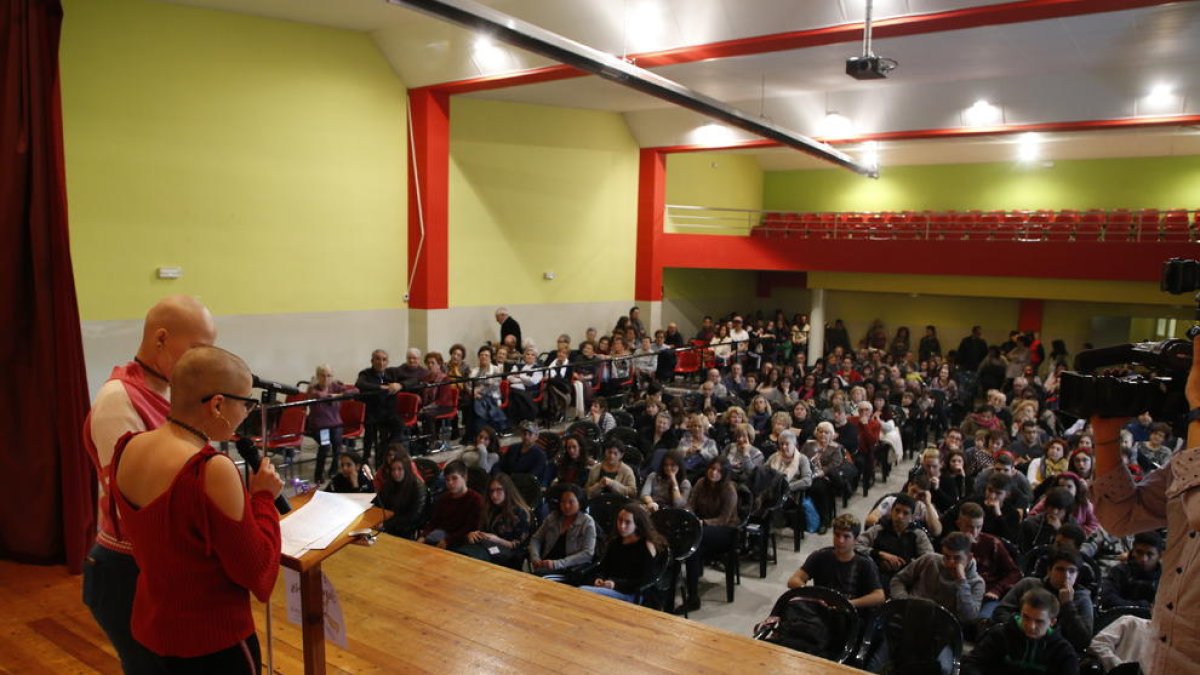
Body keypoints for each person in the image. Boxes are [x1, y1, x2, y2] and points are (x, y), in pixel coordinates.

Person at [111, 346, 280, 673]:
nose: (246, 414)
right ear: (218, 404)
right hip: (211, 642)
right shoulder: (210, 469)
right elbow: (259, 576)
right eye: (245, 404)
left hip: (150, 632)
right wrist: (263, 498)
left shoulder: (127, 446)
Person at [82, 295, 216, 674]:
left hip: (160, 565)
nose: (204, 362)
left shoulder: (173, 391)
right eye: (197, 350)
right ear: (160, 339)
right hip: (127, 570)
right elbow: (139, 497)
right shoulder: (118, 400)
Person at [993, 544, 1094, 652]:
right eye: (1060, 569)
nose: (1066, 576)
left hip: (1055, 652)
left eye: (1072, 571)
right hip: (1018, 642)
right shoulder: (1028, 584)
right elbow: (1001, 612)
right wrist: (1023, 627)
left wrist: (1067, 605)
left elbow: (1083, 640)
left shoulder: (1082, 598)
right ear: (1049, 571)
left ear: (1077, 574)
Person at [962, 588, 1078, 675]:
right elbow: (971, 664)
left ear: (1052, 622)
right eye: (1026, 617)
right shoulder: (999, 635)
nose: (1030, 626)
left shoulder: (1063, 651)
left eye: (1039, 621)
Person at [788, 513, 886, 612]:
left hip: (849, 613)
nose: (840, 541)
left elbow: (879, 596)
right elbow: (793, 581)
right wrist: (815, 596)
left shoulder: (865, 564)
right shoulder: (820, 556)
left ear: (855, 540)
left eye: (846, 537)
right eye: (837, 535)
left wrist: (849, 603)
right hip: (821, 610)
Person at [681, 458, 739, 613]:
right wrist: (690, 515)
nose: (714, 473)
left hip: (725, 531)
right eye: (712, 468)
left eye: (719, 471)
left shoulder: (729, 490)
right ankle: (689, 593)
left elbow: (724, 519)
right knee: (691, 545)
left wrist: (702, 522)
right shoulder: (701, 483)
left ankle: (692, 596)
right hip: (702, 527)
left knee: (694, 539)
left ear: (724, 473)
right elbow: (690, 504)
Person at [889, 532, 985, 624]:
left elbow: (968, 617)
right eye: (946, 556)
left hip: (942, 627)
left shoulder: (977, 582)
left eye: (957, 558)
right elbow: (898, 580)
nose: (950, 563)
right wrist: (904, 602)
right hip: (910, 613)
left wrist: (962, 581)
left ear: (969, 557)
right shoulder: (930, 560)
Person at [580, 502, 664, 603]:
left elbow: (645, 580)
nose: (622, 526)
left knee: (583, 592)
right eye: (620, 520)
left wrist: (615, 585)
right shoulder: (615, 542)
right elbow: (603, 567)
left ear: (637, 524)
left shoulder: (646, 545)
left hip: (632, 594)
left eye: (627, 522)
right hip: (612, 588)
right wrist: (599, 579)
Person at [955, 502, 1021, 621]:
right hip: (959, 592)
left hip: (987, 595)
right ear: (959, 524)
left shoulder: (992, 543)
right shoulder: (952, 543)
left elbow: (1014, 572)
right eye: (969, 527)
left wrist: (997, 590)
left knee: (982, 622)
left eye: (978, 527)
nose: (974, 532)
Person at [856, 494, 934, 588]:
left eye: (905, 513)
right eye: (897, 511)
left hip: (905, 581)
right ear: (891, 511)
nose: (900, 516)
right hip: (875, 576)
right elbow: (856, 545)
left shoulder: (918, 535)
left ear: (911, 517)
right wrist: (879, 554)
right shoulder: (878, 529)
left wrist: (906, 564)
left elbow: (929, 559)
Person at [456, 473, 532, 569]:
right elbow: (481, 531)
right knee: (464, 553)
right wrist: (472, 534)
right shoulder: (490, 509)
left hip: (506, 553)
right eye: (491, 491)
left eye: (499, 490)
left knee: (475, 556)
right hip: (485, 546)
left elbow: (518, 546)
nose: (494, 495)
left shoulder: (520, 513)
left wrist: (497, 539)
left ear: (507, 491)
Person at [528, 483, 597, 580]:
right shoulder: (553, 517)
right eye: (563, 502)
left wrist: (557, 564)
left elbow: (587, 554)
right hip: (545, 563)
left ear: (580, 503)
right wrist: (535, 557)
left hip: (567, 569)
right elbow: (536, 538)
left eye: (571, 502)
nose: (566, 506)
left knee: (538, 578)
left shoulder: (587, 522)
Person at [418, 460, 483, 550]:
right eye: (447, 480)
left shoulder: (476, 500)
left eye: (454, 478)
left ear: (465, 478)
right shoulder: (444, 498)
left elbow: (470, 528)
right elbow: (434, 521)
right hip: (443, 534)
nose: (450, 483)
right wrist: (423, 536)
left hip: (462, 539)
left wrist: (448, 541)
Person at [305, 364, 355, 483]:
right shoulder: (313, 388)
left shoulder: (334, 386)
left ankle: (334, 469)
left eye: (329, 375)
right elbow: (321, 396)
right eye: (323, 375)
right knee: (325, 446)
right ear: (318, 376)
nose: (326, 378)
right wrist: (338, 395)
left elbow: (355, 391)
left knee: (338, 445)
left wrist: (340, 394)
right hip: (321, 426)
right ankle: (318, 474)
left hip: (335, 423)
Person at [355, 349, 399, 466]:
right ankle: (366, 458)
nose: (381, 362)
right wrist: (381, 387)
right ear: (372, 361)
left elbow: (412, 380)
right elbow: (360, 384)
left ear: (387, 362)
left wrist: (400, 385)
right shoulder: (365, 373)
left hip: (388, 412)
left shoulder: (391, 373)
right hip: (372, 412)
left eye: (384, 359)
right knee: (370, 435)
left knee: (399, 427)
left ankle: (383, 451)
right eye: (378, 359)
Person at [1098, 530, 1162, 609]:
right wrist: (1142, 606)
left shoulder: (1166, 578)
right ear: (1133, 552)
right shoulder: (1119, 571)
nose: (1144, 559)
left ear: (1159, 556)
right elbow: (1108, 600)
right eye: (1139, 552)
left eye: (1150, 554)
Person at [375, 449, 426, 539]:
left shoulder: (417, 487)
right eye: (393, 470)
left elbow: (413, 516)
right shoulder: (389, 483)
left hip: (406, 527)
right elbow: (379, 502)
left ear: (406, 470)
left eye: (400, 469)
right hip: (389, 522)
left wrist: (387, 524)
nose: (396, 473)